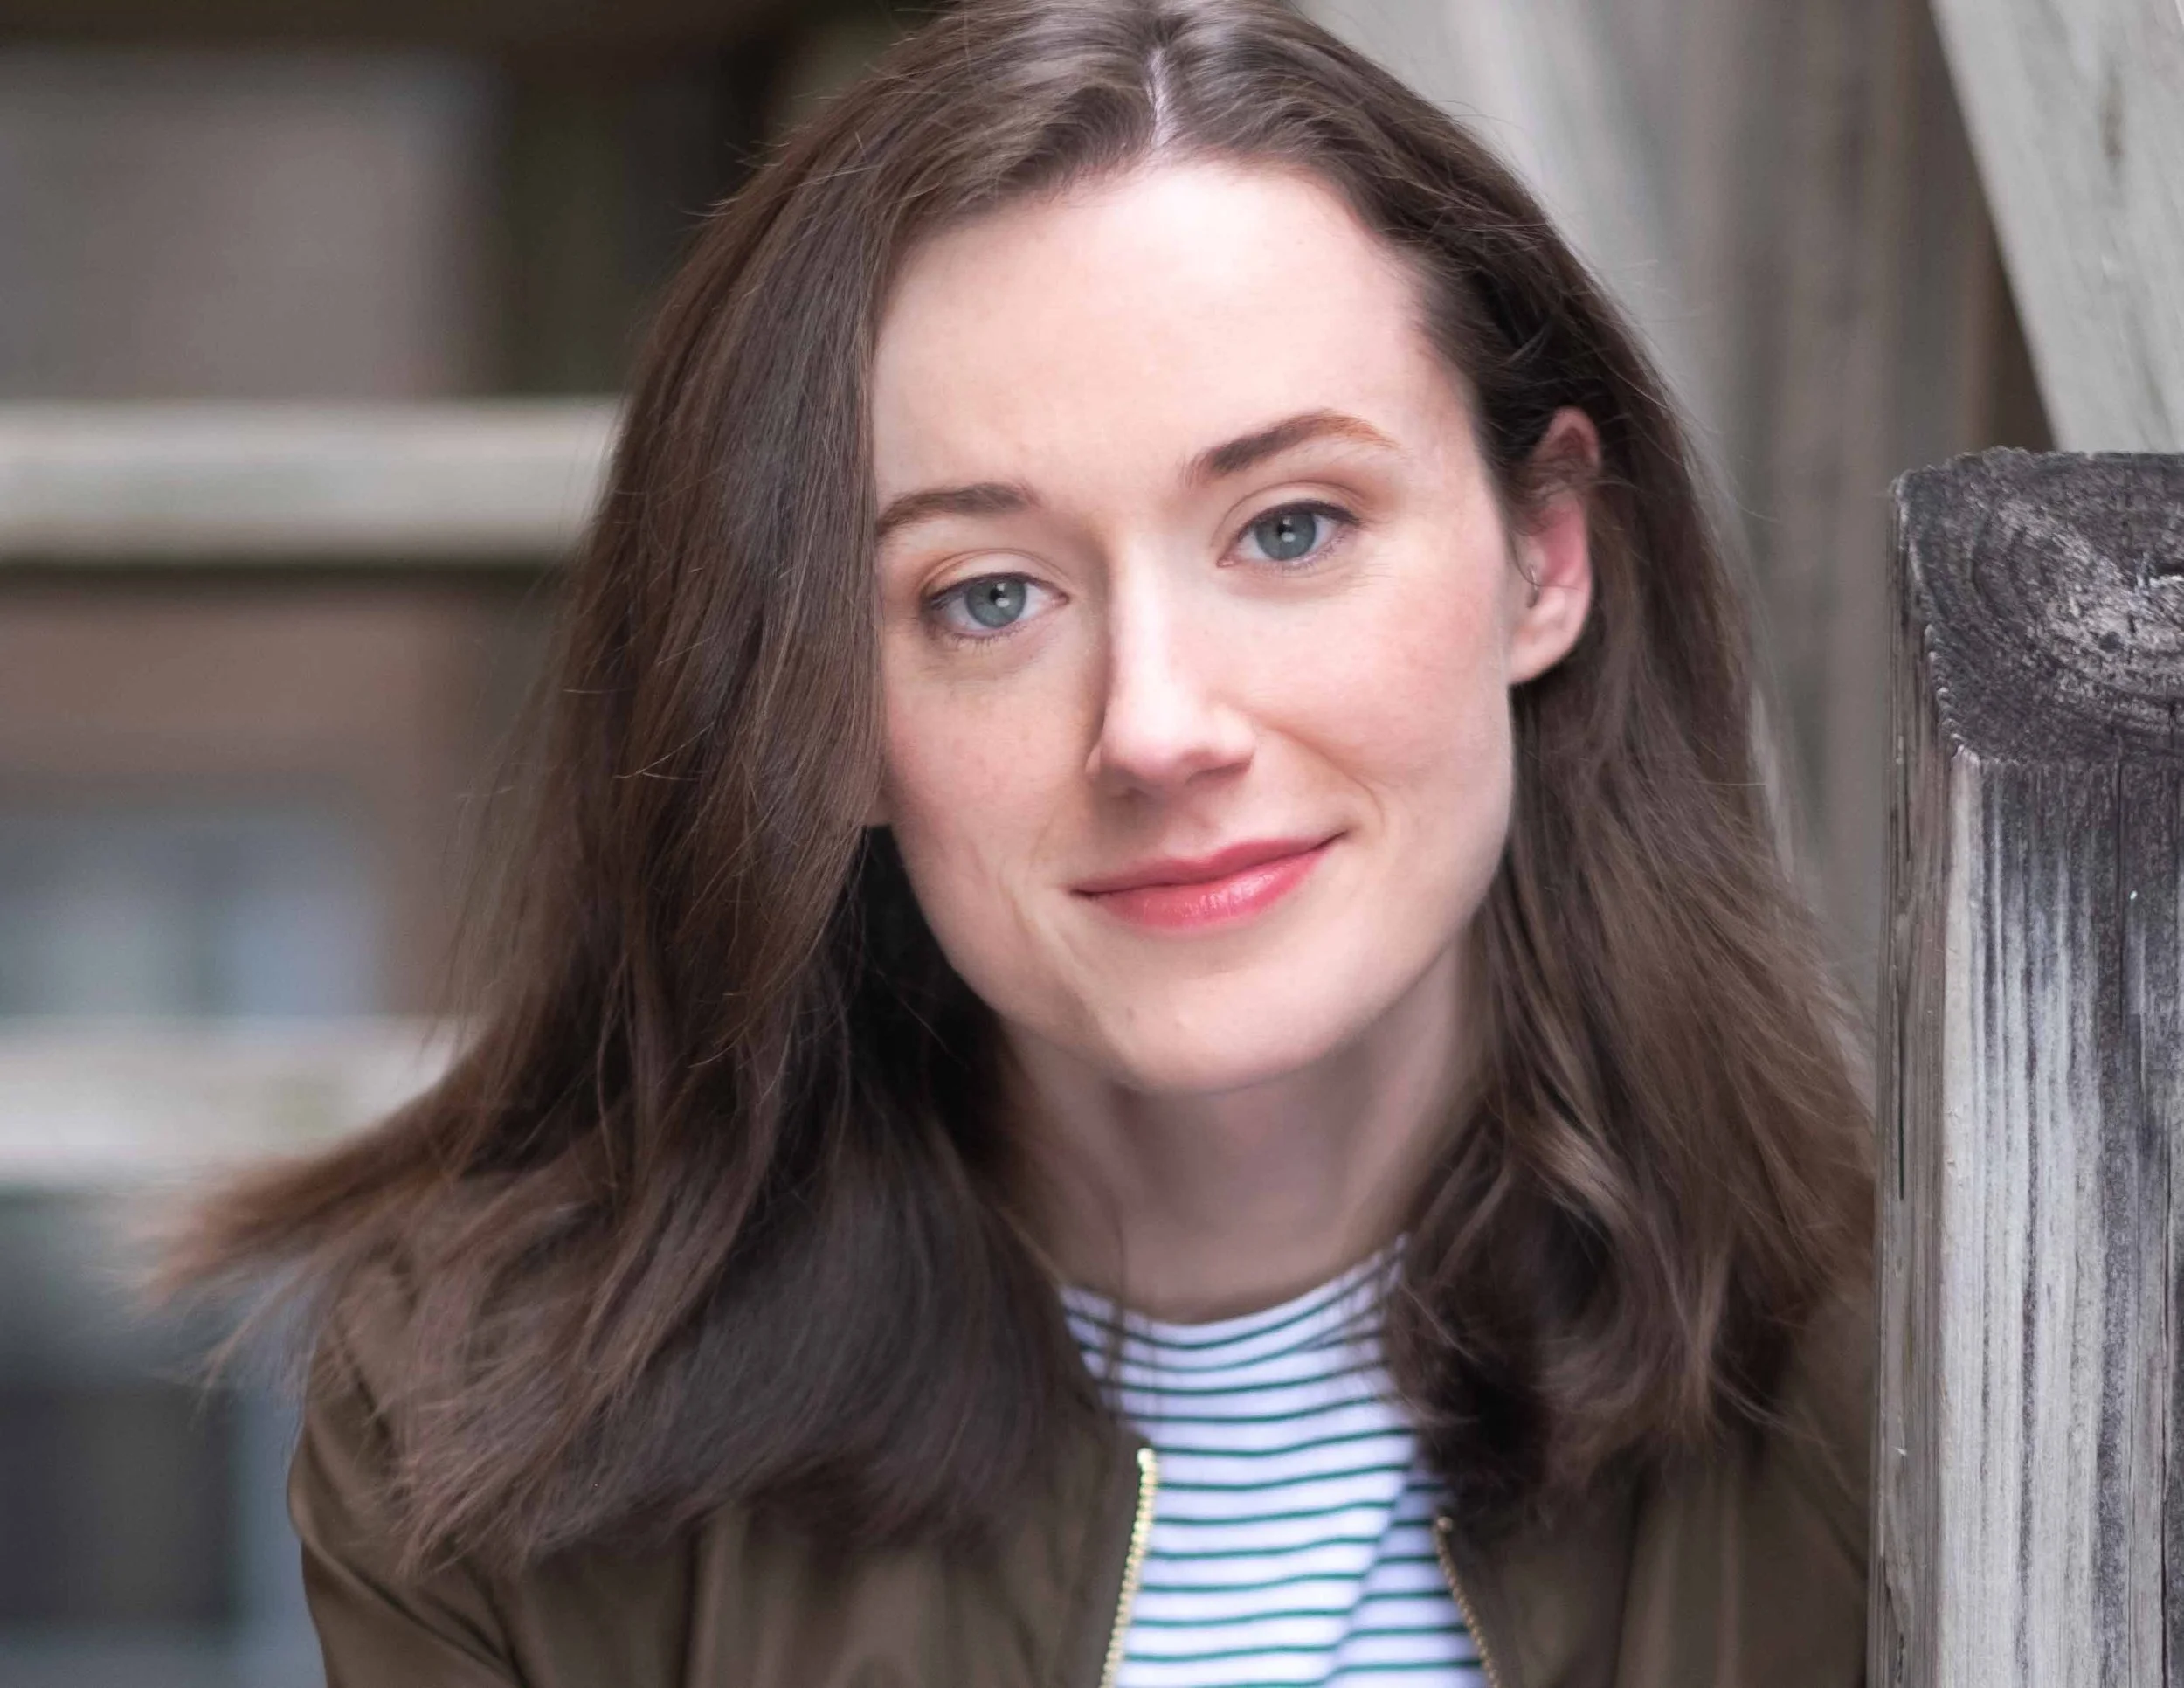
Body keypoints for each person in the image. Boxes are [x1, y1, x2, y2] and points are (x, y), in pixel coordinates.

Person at [171, 1, 1876, 1683]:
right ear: (819, 711)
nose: (1154, 725)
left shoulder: (1912, 1368)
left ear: (1543, 561)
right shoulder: (488, 1441)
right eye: (986, 597)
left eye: (1289, 528)